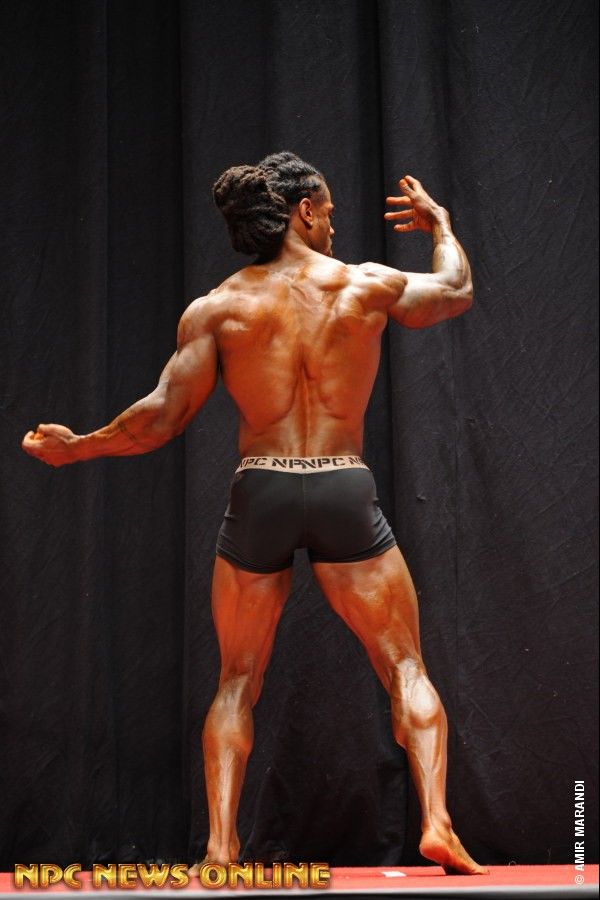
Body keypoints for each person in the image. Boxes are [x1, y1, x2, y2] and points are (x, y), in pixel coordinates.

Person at [22, 151, 487, 875]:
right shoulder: (364, 284)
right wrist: (441, 226)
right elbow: (455, 290)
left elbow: (160, 417)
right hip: (341, 485)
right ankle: (436, 820)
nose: (332, 223)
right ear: (304, 210)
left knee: (237, 679)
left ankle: (219, 846)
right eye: (327, 210)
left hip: (261, 491)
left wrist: (81, 446)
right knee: (404, 665)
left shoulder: (219, 307)